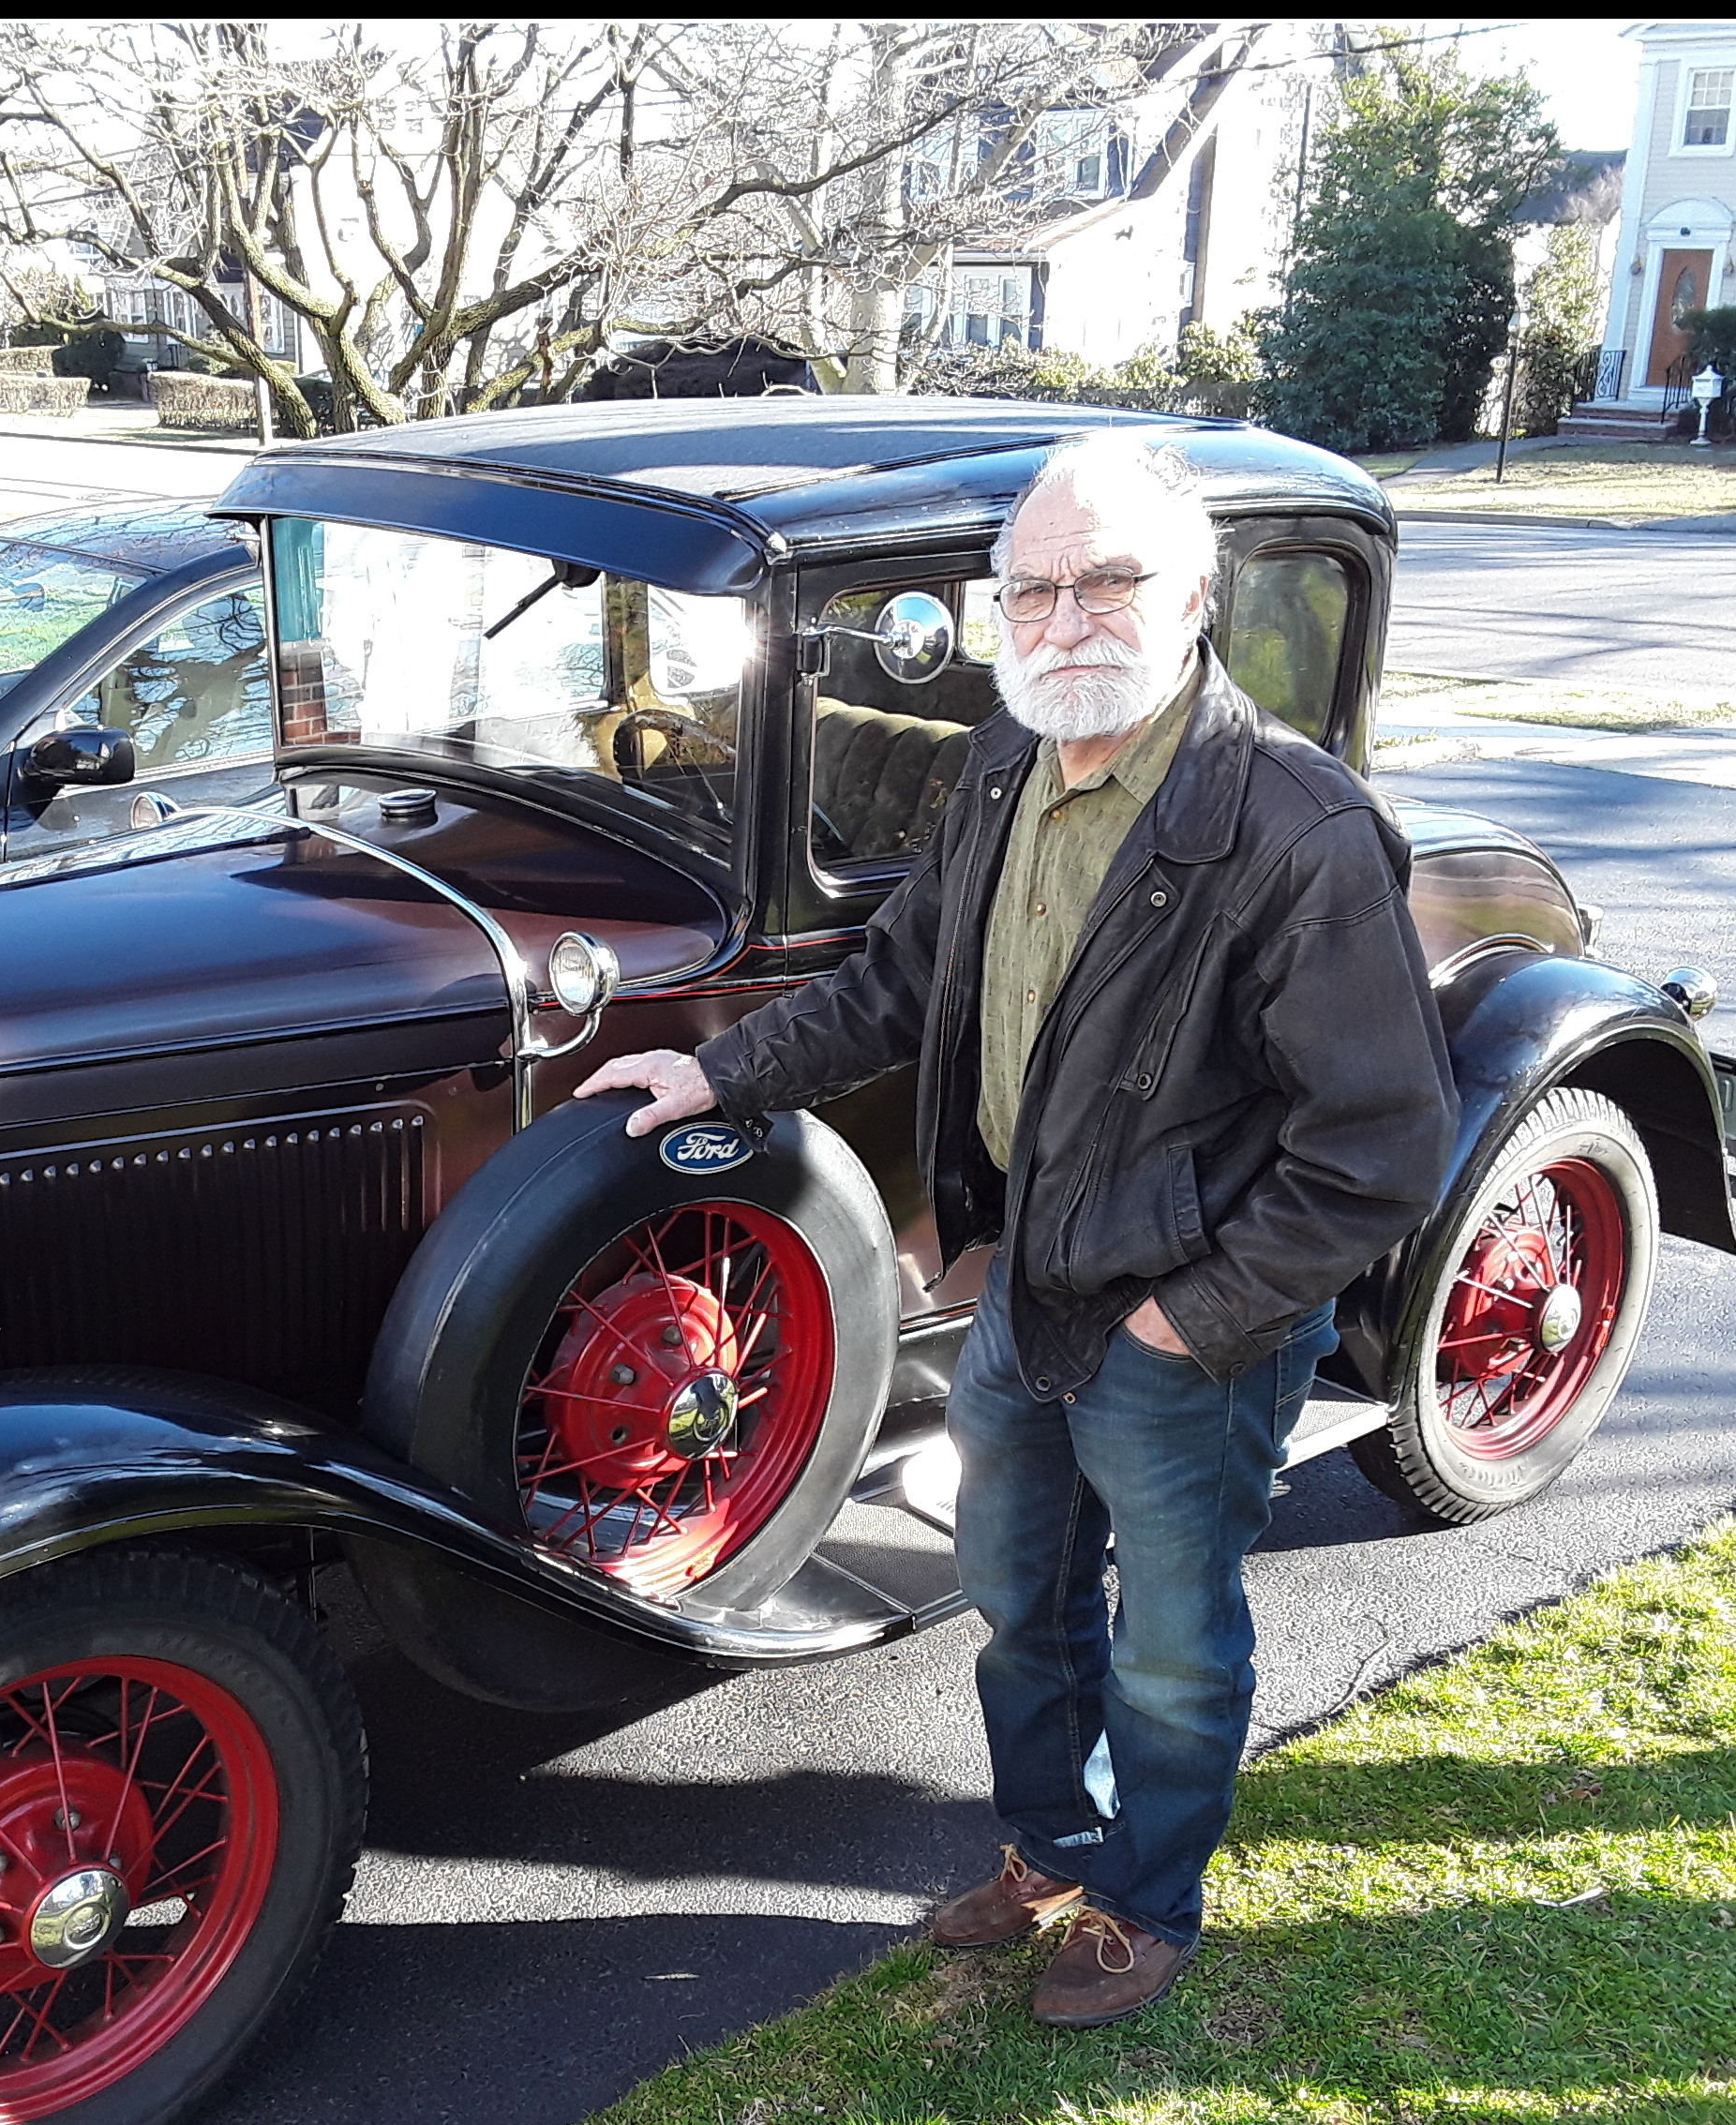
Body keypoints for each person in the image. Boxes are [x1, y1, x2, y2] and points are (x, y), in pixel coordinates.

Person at [576, 431, 1458, 2027]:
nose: (1065, 618)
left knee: (1175, 1639)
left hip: (1184, 1316)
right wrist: (716, 1066)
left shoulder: (1294, 826)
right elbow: (900, 982)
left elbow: (1379, 1148)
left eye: (1107, 578)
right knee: (1011, 1588)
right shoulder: (1000, 759)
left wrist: (1195, 1317)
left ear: (1194, 592)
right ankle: (1050, 1841)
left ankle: (1145, 1897)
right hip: (1025, 1285)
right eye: (1030, 588)